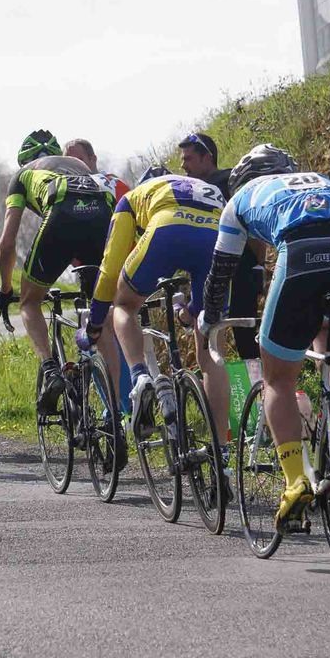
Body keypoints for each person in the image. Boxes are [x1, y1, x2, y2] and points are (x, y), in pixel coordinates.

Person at [197, 145, 330, 533]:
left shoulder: (239, 202)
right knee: (328, 325)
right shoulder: (320, 180)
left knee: (278, 378)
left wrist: (208, 318)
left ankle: (296, 481)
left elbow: (221, 273)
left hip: (301, 256)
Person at [82, 167, 230, 459]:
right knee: (212, 345)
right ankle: (220, 452)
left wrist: (96, 323)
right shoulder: (205, 187)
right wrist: (190, 312)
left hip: (165, 228)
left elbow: (109, 268)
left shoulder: (131, 198)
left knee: (124, 305)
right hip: (216, 237)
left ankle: (140, 377)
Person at [0, 130, 120, 410]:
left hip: (61, 213)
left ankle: (50, 370)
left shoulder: (23, 175)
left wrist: (5, 288)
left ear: (24, 160)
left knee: (30, 302)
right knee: (100, 315)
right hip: (101, 213)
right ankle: (116, 410)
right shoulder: (79, 166)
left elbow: (7, 243)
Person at [178, 130, 263, 385]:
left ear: (207, 157)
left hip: (241, 267)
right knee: (216, 334)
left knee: (244, 334)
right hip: (213, 269)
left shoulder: (228, 181)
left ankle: (262, 392)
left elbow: (251, 222)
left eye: (188, 159)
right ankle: (236, 393)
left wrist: (258, 264)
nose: (183, 166)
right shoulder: (192, 189)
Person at [64, 138, 129, 204]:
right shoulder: (62, 189)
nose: (73, 166)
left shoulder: (115, 186)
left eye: (79, 160)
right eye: (68, 163)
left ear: (93, 159)